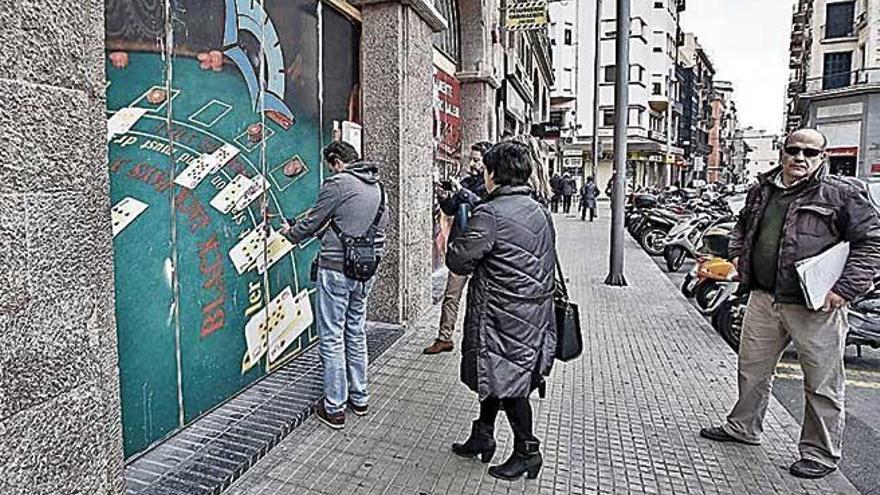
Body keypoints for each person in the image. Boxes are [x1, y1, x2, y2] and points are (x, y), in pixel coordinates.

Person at [699, 129, 880, 479]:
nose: (800, 158)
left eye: (810, 153)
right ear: (782, 152)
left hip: (816, 306)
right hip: (764, 297)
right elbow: (741, 226)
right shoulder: (761, 189)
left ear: (822, 158)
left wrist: (845, 289)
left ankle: (820, 454)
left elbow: (871, 243)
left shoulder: (841, 194)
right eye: (793, 150)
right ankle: (743, 428)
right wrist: (738, 257)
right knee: (752, 371)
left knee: (821, 382)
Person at [446, 141, 557, 481]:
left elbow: (459, 259)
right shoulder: (538, 208)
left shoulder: (490, 213)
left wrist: (459, 235)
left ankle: (528, 450)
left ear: (495, 173)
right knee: (498, 375)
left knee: (508, 383)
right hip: (533, 309)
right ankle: (483, 434)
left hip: (502, 312)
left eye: (486, 169)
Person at [281, 141, 388, 429]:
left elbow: (314, 221)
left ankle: (335, 407)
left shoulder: (338, 183)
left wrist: (291, 234)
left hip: (336, 270)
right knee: (355, 330)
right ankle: (360, 396)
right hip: (366, 269)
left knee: (331, 336)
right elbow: (377, 228)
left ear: (337, 161)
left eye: (331, 166)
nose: (331, 171)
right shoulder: (377, 187)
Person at [424, 141, 493, 355]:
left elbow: (483, 205)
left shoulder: (491, 186)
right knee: (451, 295)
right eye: (471, 159)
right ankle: (445, 337)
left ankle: (485, 342)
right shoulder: (466, 182)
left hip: (484, 250)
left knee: (485, 299)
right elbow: (452, 208)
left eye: (476, 160)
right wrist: (444, 197)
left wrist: (461, 191)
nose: (472, 164)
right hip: (462, 248)